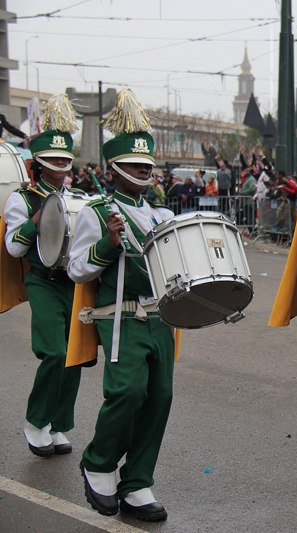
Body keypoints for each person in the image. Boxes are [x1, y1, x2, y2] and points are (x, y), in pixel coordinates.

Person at [68, 89, 175, 522]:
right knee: (127, 392)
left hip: (161, 318)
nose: (143, 171)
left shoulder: (162, 215)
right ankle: (98, 461)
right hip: (120, 317)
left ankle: (137, 481)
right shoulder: (96, 211)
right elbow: (77, 268)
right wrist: (108, 247)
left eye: (147, 165)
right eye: (133, 165)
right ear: (113, 169)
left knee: (159, 398)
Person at [3, 98, 83, 457]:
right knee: (54, 352)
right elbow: (13, 248)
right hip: (42, 280)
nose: (60, 166)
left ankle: (58, 423)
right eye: (53, 160)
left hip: (75, 281)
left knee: (75, 356)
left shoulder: (80, 197)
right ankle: (36, 422)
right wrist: (37, 220)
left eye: (64, 160)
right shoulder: (22, 199)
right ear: (38, 163)